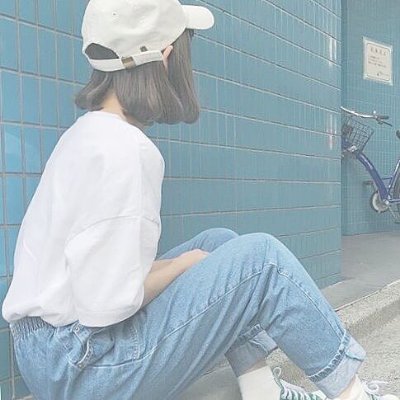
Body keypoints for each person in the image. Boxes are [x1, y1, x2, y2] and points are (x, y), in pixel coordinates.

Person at [1, 1, 398, 399]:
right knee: (263, 260)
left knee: (218, 243)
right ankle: (352, 394)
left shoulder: (87, 133)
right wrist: (182, 265)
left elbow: (96, 278)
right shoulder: (125, 151)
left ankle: (261, 388)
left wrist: (187, 263)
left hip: (51, 355)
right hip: (85, 370)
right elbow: (107, 304)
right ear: (166, 59)